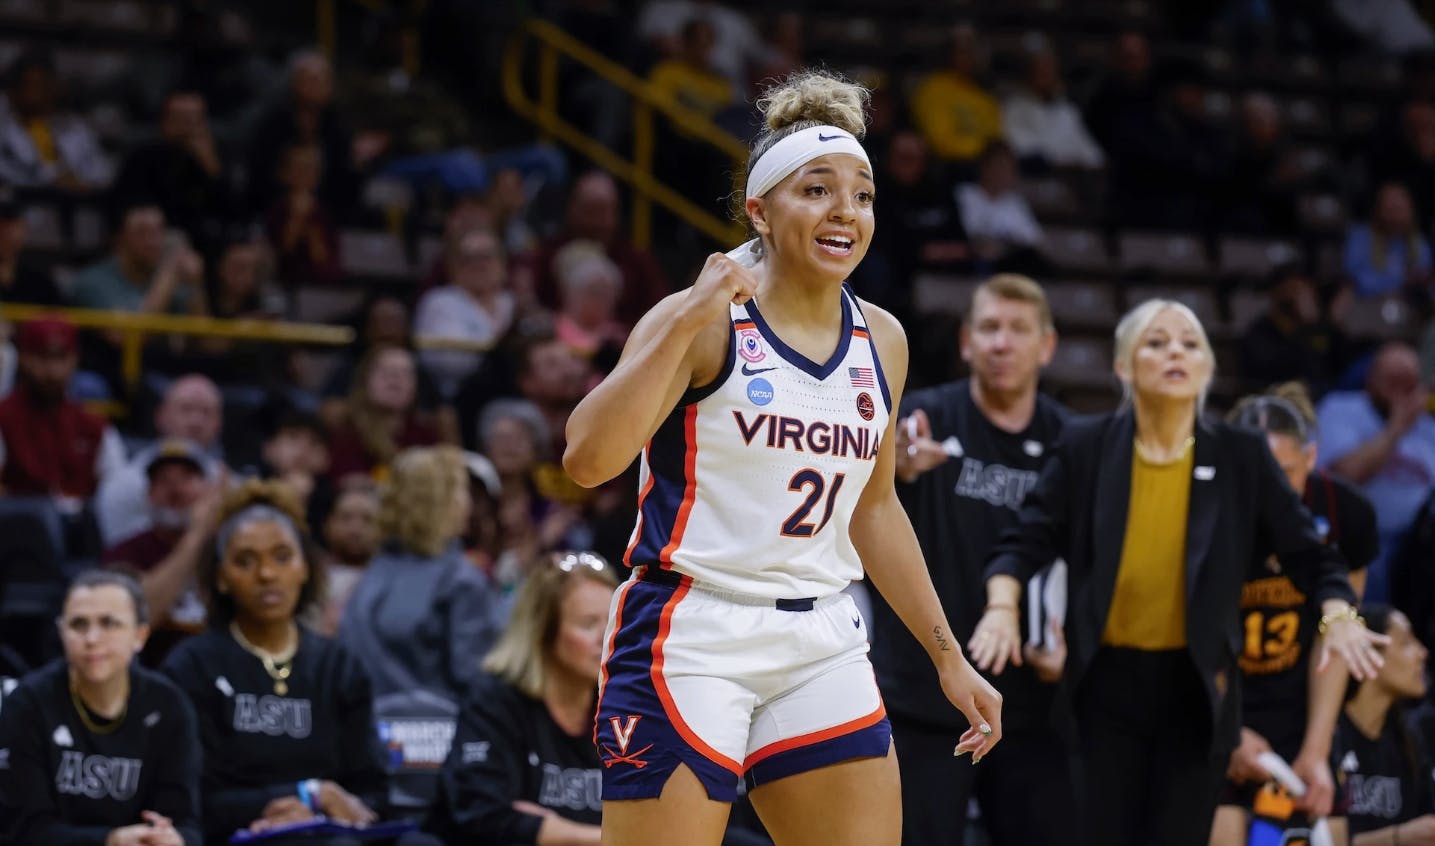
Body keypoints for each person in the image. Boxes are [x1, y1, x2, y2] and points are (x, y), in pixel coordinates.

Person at [562, 70, 1001, 845]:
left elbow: (874, 509)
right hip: (690, 630)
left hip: (820, 637)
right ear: (759, 212)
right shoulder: (698, 319)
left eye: (862, 195)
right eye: (818, 190)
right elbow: (586, 461)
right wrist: (678, 322)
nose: (846, 212)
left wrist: (948, 659)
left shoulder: (884, 340)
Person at [971, 298, 1381, 846]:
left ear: (1207, 369)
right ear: (1124, 365)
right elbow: (1022, 543)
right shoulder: (1088, 447)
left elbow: (1313, 556)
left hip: (1195, 691)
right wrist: (1002, 608)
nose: (1175, 352)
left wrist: (1339, 615)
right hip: (1104, 688)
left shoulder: (1241, 455)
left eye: (1190, 343)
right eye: (1156, 341)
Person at [876, 273, 1072, 846]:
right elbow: (865, 508)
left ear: (1047, 345)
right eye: (988, 328)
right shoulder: (919, 422)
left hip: (1033, 707)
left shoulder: (1071, 442)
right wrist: (895, 467)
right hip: (924, 697)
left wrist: (1073, 646)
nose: (1001, 343)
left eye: (1018, 329)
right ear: (966, 342)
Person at [160, 480, 430, 846]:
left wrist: (326, 812)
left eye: (282, 556)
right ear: (221, 578)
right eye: (245, 561)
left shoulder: (339, 665)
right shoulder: (192, 667)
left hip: (331, 833)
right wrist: (306, 795)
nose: (267, 574)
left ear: (305, 568)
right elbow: (189, 802)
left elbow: (374, 790)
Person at [1212, 384, 1380, 845]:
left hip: (1305, 705)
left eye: (1283, 475)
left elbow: (1338, 637)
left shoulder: (1347, 514)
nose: (1269, 493)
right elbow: (1193, 638)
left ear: (1310, 457)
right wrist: (1225, 730)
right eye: (1254, 476)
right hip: (1220, 701)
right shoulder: (1206, 512)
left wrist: (1317, 748)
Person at [426, 551, 618, 845]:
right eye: (588, 624)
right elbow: (485, 817)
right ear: (543, 631)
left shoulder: (623, 707)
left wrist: (548, 828)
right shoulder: (495, 700)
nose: (605, 639)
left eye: (613, 623)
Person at [0, 570, 201, 846]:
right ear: (61, 632)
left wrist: (172, 838)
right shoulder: (28, 704)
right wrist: (109, 841)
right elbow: (21, 831)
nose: (92, 638)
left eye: (109, 623)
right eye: (78, 624)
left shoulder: (169, 705)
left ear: (140, 635)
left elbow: (186, 820)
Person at [338, 446, 505, 704]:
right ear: (442, 502)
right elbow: (478, 683)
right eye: (461, 491)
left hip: (375, 726)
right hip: (432, 730)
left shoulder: (376, 570)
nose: (468, 504)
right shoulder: (460, 579)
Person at [1316, 342, 1435, 602]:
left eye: (1408, 380)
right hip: (1367, 537)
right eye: (1391, 379)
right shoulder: (1341, 409)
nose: (1399, 389)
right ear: (1371, 378)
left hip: (1423, 536)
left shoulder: (1427, 422)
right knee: (1372, 561)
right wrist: (1397, 427)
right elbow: (1345, 476)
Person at [102, 439, 224, 666]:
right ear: (148, 494)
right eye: (163, 480)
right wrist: (196, 536)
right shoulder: (125, 553)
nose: (175, 490)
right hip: (154, 671)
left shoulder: (229, 549)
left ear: (207, 490)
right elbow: (142, 617)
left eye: (186, 478)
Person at [1328, 605, 1435, 844]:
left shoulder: (1410, 739)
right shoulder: (1328, 733)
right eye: (1406, 643)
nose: (1422, 653)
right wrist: (1397, 838)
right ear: (1368, 653)